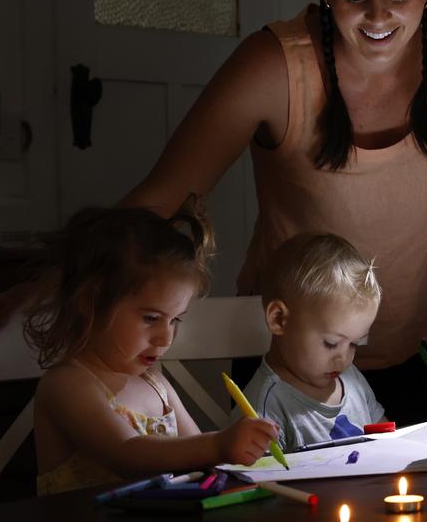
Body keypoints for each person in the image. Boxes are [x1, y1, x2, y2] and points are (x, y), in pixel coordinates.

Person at [0, 0, 427, 425]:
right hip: (289, 355)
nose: (377, 16)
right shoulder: (272, 66)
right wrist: (53, 281)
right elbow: (162, 197)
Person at [25, 202, 278, 495]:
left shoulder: (155, 384)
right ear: (90, 301)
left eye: (175, 320)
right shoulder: (68, 384)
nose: (165, 338)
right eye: (151, 318)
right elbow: (126, 453)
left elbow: (197, 453)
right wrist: (219, 444)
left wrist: (237, 446)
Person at [236, 233, 387, 451]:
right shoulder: (265, 408)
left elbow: (384, 434)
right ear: (279, 319)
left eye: (354, 343)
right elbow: (262, 481)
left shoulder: (350, 378)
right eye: (331, 343)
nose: (344, 358)